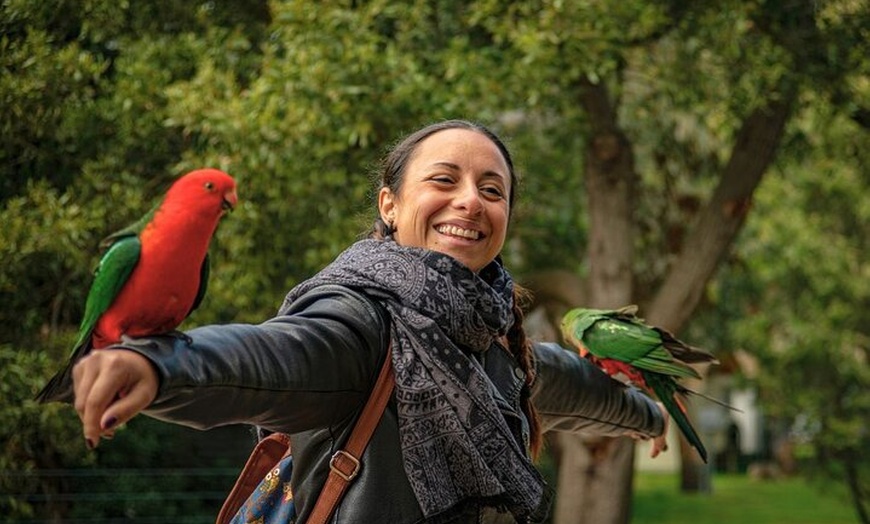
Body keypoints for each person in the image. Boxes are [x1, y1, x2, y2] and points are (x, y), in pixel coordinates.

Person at [71, 119, 669, 523]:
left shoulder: (496, 335)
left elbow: (564, 382)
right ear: (390, 204)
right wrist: (158, 364)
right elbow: (278, 358)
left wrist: (648, 414)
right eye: (443, 180)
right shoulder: (360, 317)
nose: (470, 201)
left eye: (493, 189)